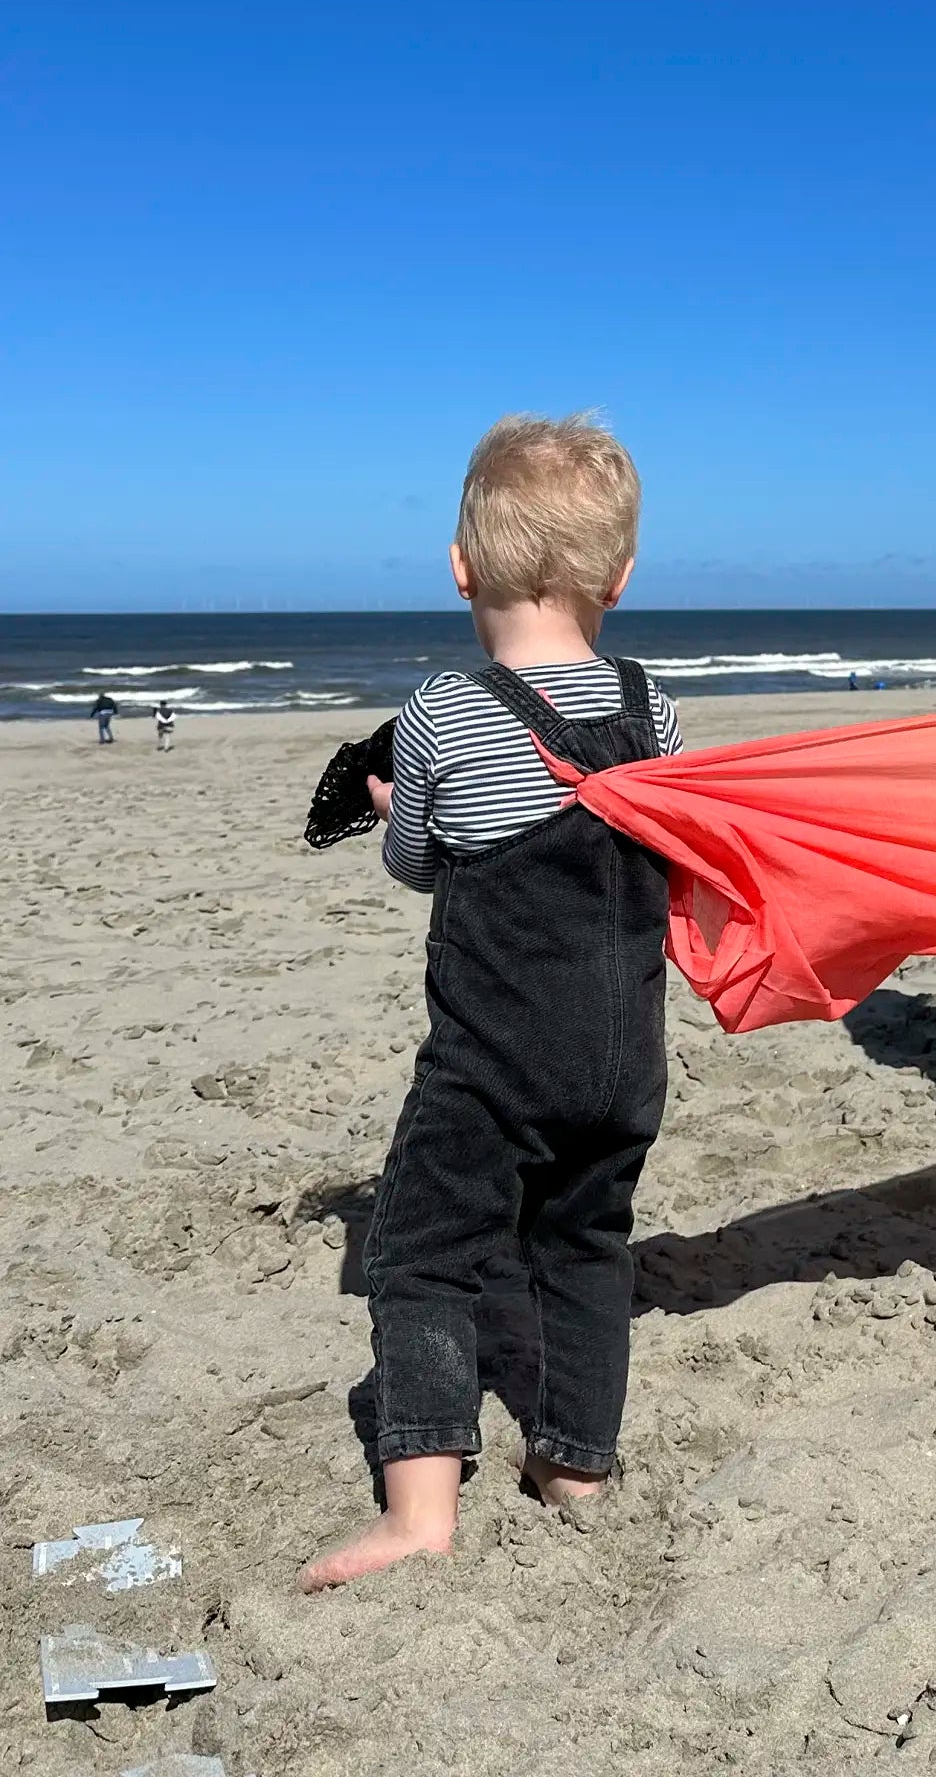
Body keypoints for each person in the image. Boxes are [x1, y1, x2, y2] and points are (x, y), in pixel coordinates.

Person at [301, 413, 682, 1591]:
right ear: (621, 576)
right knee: (584, 1240)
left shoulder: (438, 713)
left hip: (491, 1057)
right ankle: (574, 1466)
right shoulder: (648, 701)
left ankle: (420, 1512)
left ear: (460, 567)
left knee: (420, 1250)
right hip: (623, 1053)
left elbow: (418, 861)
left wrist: (386, 794)